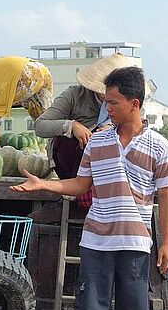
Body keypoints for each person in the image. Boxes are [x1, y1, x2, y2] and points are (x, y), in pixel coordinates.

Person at [10, 66, 168, 310]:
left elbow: (165, 199)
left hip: (135, 242)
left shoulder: (159, 146)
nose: (107, 108)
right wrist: (43, 185)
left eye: (113, 103)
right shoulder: (97, 141)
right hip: (96, 240)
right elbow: (80, 185)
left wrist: (166, 243)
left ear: (134, 104)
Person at [34, 53, 138, 207]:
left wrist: (111, 130)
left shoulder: (131, 104)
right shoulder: (74, 95)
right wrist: (72, 126)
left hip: (112, 171)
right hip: (74, 166)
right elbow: (40, 126)